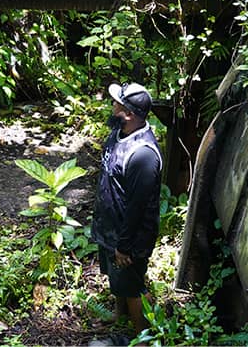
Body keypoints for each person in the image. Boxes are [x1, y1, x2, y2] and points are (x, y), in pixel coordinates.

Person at [91, 82, 163, 337]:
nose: (112, 107)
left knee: (132, 286)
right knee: (115, 275)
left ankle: (143, 337)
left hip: (129, 236)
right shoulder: (120, 133)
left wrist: (124, 245)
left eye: (116, 104)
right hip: (111, 228)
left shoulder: (143, 155)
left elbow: (138, 207)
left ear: (129, 113)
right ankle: (119, 315)